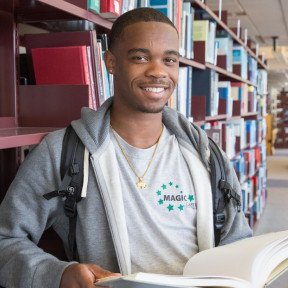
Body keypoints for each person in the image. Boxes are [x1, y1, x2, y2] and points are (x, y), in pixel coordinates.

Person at [0, 7, 252, 288]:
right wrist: (58, 275)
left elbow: (238, 242)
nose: (158, 71)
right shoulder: (62, 152)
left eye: (170, 60)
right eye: (140, 57)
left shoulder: (207, 155)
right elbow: (5, 241)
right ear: (111, 63)